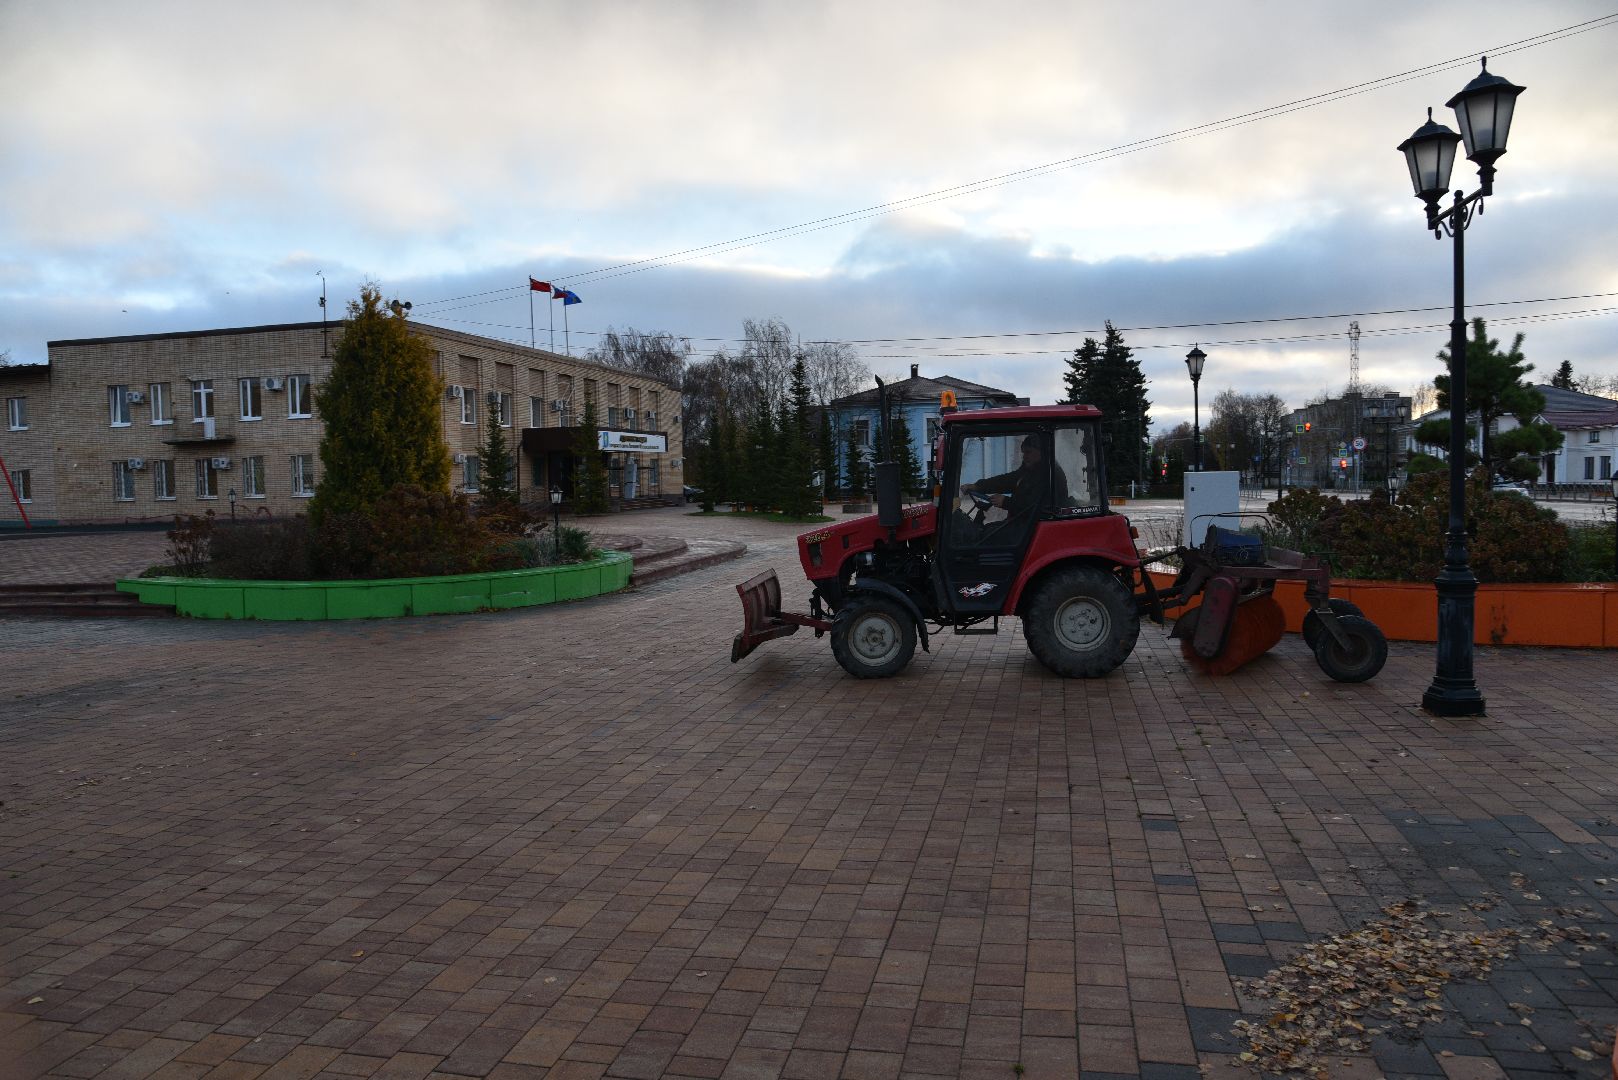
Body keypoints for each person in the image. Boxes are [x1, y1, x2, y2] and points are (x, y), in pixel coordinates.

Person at [962, 434, 1068, 522]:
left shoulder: (1049, 475)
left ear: (1041, 452)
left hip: (1032, 526)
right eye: (1024, 452)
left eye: (1028, 452)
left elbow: (1037, 507)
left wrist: (1007, 502)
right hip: (1024, 523)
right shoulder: (1031, 470)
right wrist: (978, 486)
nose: (1024, 456)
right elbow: (1008, 481)